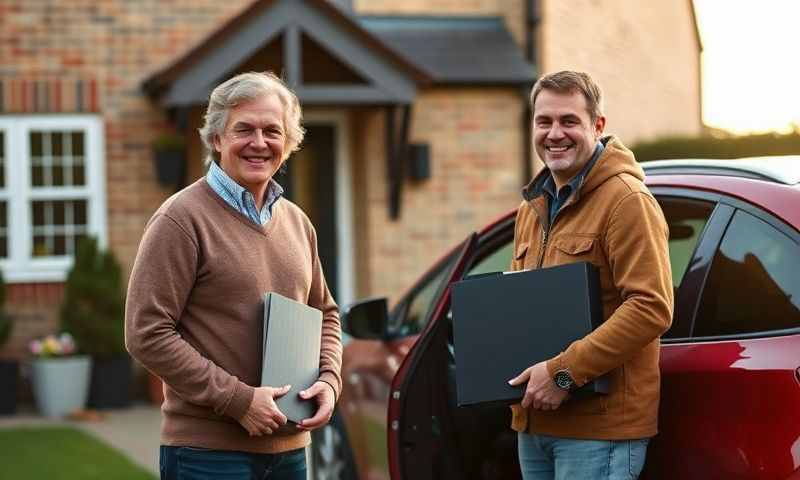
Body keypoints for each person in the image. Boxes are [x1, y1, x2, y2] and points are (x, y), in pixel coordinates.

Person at [125, 71, 342, 480]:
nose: (259, 143)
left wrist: (329, 381)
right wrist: (239, 400)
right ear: (217, 139)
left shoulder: (297, 222)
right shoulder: (181, 219)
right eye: (244, 129)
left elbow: (325, 314)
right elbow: (146, 332)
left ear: (289, 142)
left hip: (291, 449)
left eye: (272, 131)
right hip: (208, 454)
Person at [507, 70, 673, 479]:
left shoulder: (627, 201)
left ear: (597, 125)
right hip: (535, 423)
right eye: (544, 121)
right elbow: (520, 304)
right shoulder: (532, 208)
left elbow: (651, 308)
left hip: (600, 431)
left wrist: (563, 374)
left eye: (569, 121)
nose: (554, 133)